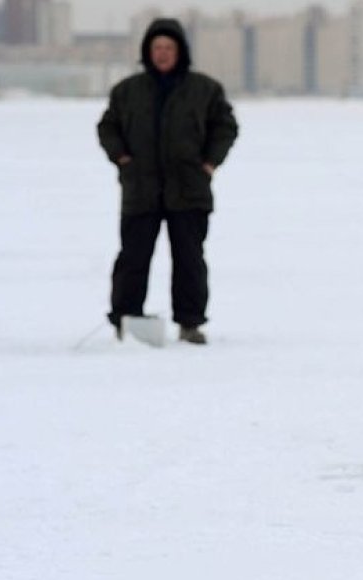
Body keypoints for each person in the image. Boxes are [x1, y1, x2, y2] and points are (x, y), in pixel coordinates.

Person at [97, 17, 239, 345]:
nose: (162, 53)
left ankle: (190, 323)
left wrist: (209, 163)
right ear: (147, 51)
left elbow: (225, 127)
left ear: (180, 51)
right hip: (141, 188)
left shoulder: (204, 89)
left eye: (168, 47)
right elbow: (108, 127)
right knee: (133, 258)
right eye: (156, 47)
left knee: (189, 259)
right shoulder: (127, 91)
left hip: (189, 188)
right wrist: (122, 158)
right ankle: (126, 320)